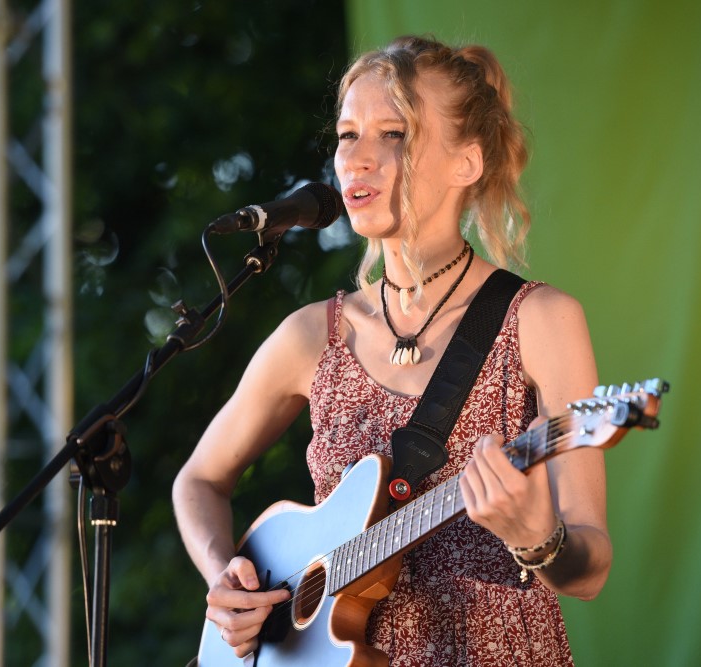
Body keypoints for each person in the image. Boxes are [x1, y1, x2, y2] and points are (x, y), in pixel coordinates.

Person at [172, 35, 611, 666]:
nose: (357, 159)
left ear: (467, 162)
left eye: (394, 134)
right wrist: (225, 579)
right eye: (348, 135)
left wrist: (538, 539)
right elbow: (198, 480)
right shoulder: (312, 335)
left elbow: (589, 571)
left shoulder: (539, 320)